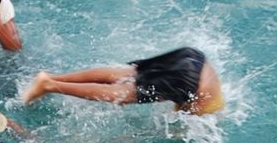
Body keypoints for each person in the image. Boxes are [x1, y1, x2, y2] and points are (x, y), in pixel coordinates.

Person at [22, 46, 224, 116]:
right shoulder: (204, 110)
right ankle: (49, 85)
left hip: (194, 60)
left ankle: (50, 77)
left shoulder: (210, 100)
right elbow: (176, 128)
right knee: (126, 94)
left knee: (129, 73)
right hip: (189, 82)